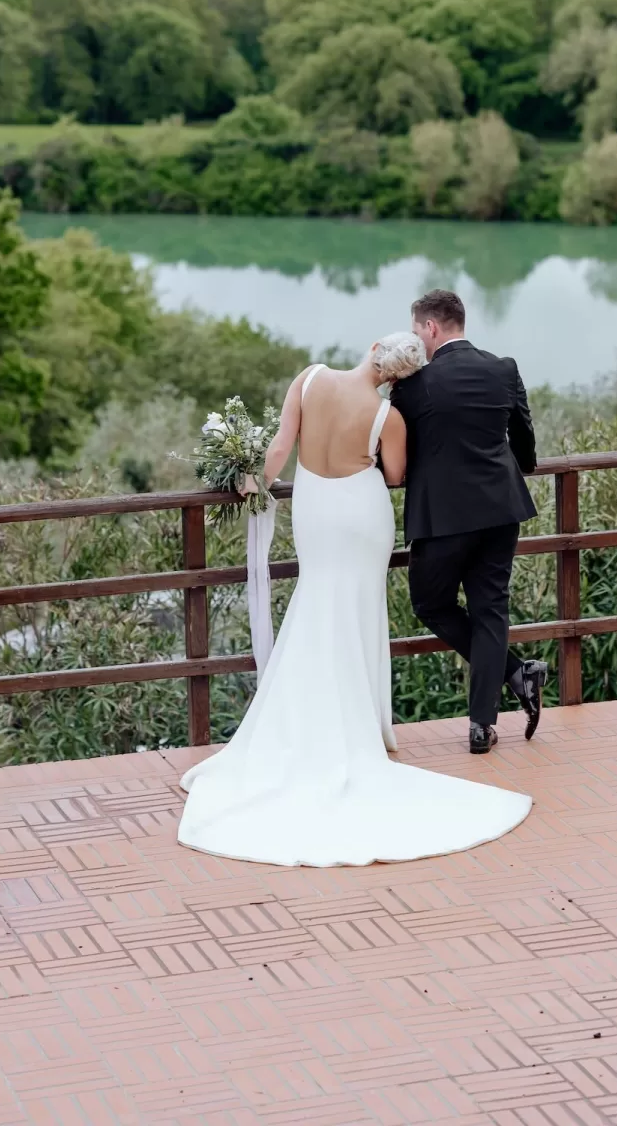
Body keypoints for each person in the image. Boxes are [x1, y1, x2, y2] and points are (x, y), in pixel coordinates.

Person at [177, 333, 531, 867]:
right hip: (362, 517)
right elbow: (394, 475)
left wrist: (253, 485)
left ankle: (313, 720)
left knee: (316, 603)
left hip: (315, 513)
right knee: (359, 613)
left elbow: (278, 449)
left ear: (371, 349)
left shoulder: (310, 377)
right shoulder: (387, 416)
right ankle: (368, 726)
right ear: (398, 378)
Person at [391, 289, 547, 756]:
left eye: (418, 330)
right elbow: (526, 447)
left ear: (431, 328)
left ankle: (516, 674)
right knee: (490, 609)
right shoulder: (503, 369)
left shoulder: (413, 385)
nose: (417, 340)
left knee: (431, 604)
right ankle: (482, 725)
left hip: (442, 517)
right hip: (501, 509)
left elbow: (401, 452)